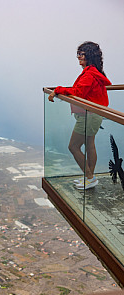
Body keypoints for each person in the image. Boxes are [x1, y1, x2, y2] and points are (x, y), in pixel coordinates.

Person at [48, 41, 112, 190]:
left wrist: (57, 89)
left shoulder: (89, 74)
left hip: (88, 116)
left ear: (89, 56)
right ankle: (89, 178)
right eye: (78, 53)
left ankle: (90, 177)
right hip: (92, 114)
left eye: (81, 54)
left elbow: (78, 92)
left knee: (73, 146)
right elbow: (81, 90)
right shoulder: (93, 72)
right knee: (89, 144)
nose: (78, 57)